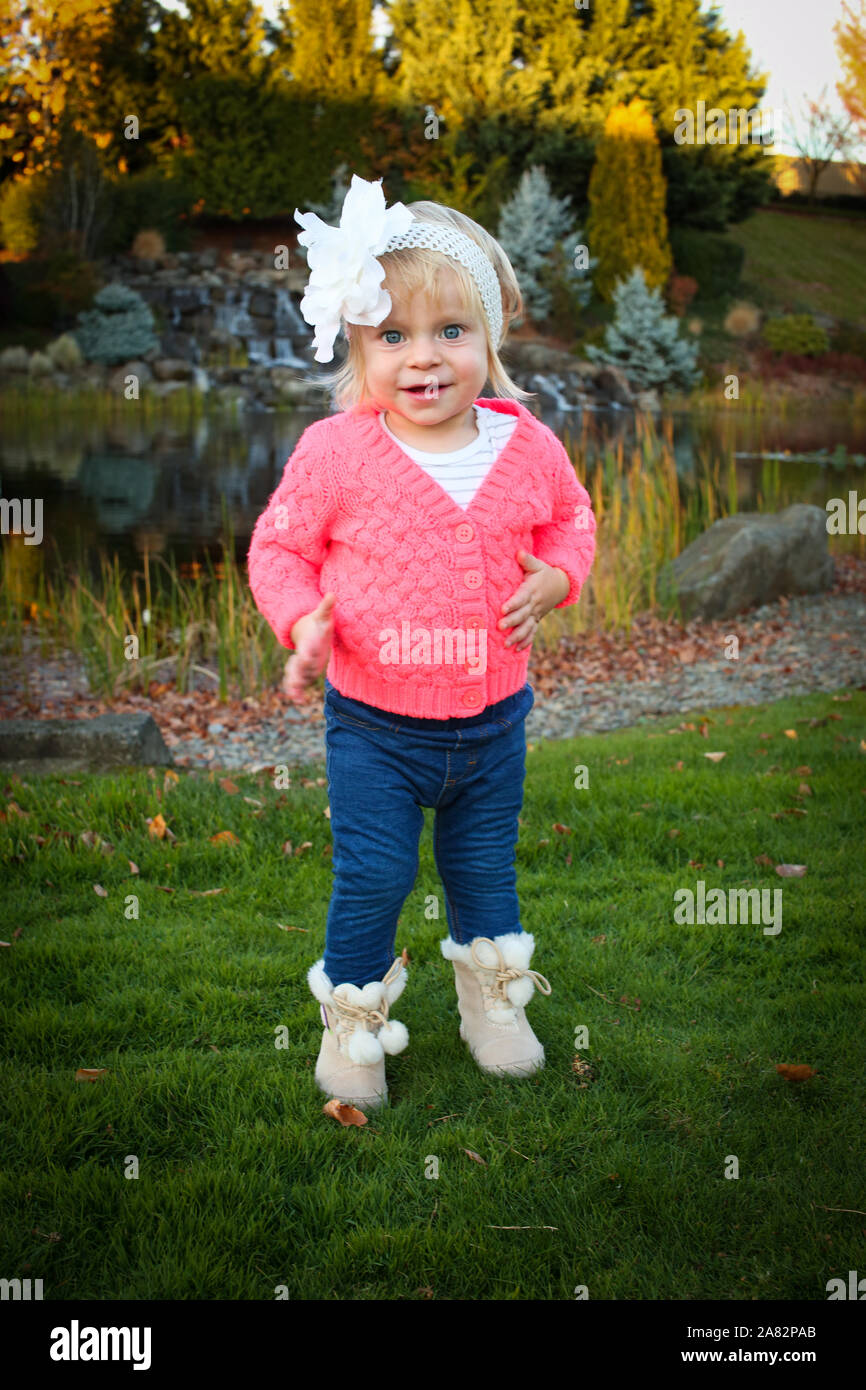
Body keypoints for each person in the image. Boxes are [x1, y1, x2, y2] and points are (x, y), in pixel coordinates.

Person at [247, 174, 596, 1109]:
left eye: (451, 332)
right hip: (374, 726)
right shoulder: (336, 452)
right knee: (376, 872)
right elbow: (278, 548)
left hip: (494, 722)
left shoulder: (526, 446)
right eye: (392, 336)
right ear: (358, 349)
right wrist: (303, 616)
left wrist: (561, 575)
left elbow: (573, 519)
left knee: (484, 865)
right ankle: (355, 1022)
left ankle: (490, 998)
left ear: (490, 339)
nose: (424, 358)